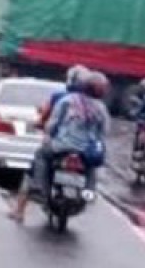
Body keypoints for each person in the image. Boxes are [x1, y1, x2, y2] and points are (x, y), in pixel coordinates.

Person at [11, 69, 110, 221]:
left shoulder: (67, 100)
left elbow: (52, 123)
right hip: (86, 150)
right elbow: (103, 133)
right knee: (91, 165)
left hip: (62, 145)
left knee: (41, 155)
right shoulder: (101, 108)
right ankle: (90, 190)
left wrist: (49, 135)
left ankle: (38, 188)